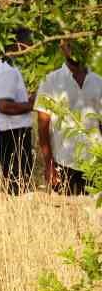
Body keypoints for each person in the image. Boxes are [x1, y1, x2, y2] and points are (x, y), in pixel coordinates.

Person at [35, 42, 101, 196]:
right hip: (63, 164)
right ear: (62, 47)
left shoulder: (98, 82)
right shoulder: (50, 82)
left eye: (79, 45)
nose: (74, 49)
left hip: (95, 164)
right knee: (65, 215)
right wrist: (49, 164)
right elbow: (43, 127)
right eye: (69, 45)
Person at [0, 29, 38, 193]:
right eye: (29, 43)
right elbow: (5, 106)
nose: (31, 47)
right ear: (20, 44)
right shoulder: (6, 69)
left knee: (18, 185)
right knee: (18, 189)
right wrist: (31, 106)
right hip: (12, 137)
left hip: (12, 134)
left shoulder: (8, 67)